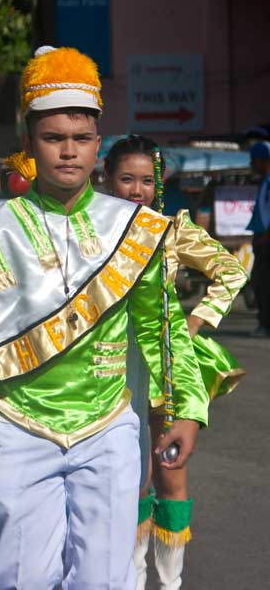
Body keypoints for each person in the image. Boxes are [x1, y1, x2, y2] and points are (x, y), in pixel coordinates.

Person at [0, 46, 209, 588]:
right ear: (29, 143)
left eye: (82, 139)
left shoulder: (134, 228)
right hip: (20, 427)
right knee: (19, 579)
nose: (69, 152)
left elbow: (162, 330)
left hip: (109, 428)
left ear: (98, 146)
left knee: (104, 581)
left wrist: (185, 407)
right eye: (53, 138)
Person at [104, 134, 248, 590]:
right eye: (126, 179)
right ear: (106, 180)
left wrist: (195, 320)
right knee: (130, 475)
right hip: (108, 365)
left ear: (159, 183)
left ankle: (170, 582)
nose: (137, 189)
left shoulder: (172, 230)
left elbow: (232, 270)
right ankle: (132, 574)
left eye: (147, 180)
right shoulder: (93, 231)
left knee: (169, 469)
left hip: (167, 366)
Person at [248, 140, 270, 336]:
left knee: (263, 283)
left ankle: (265, 324)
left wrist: (265, 237)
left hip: (267, 242)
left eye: (254, 160)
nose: (251, 165)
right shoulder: (265, 181)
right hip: (262, 241)